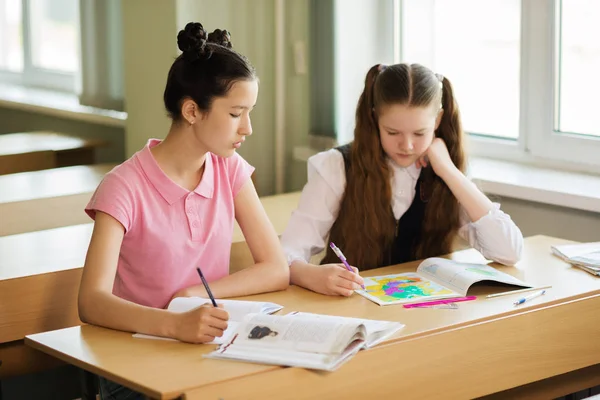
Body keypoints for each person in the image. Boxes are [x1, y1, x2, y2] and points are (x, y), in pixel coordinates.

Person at [78, 21, 289, 398]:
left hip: (207, 351)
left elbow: (275, 268)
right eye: (237, 113)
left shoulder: (229, 169)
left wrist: (191, 295)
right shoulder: (122, 187)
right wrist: (174, 324)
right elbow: (91, 301)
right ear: (192, 111)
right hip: (134, 363)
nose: (248, 129)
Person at [281, 63, 524, 297]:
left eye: (420, 133)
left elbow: (509, 252)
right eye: (393, 132)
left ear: (437, 121)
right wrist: (310, 275)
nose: (407, 146)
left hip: (425, 315)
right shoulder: (337, 165)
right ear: (374, 118)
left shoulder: (445, 172)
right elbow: (287, 254)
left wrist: (450, 171)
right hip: (351, 310)